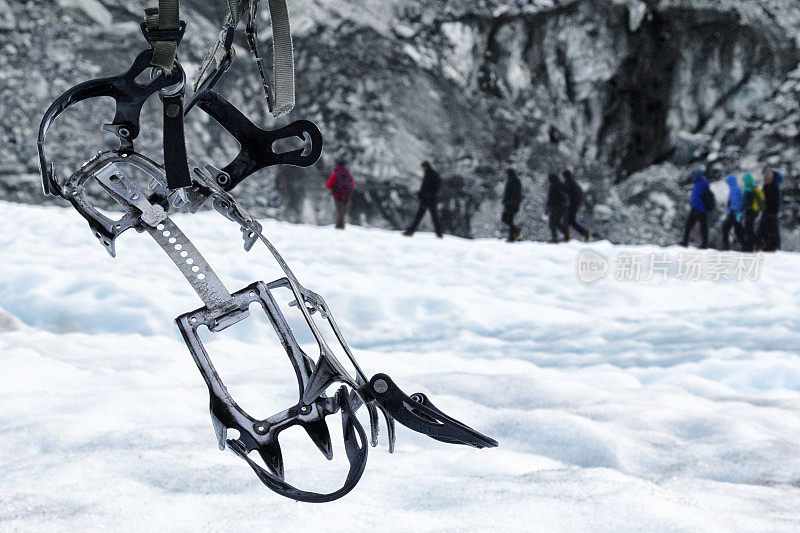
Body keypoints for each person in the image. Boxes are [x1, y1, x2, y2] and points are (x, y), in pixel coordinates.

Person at [403, 161, 443, 238]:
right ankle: (439, 234)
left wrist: (420, 194)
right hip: (431, 199)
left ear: (425, 166)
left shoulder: (429, 174)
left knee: (420, 216)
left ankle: (411, 231)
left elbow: (425, 187)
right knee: (433, 217)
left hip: (427, 199)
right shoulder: (433, 173)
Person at [680, 169, 714, 248]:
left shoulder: (699, 185)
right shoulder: (703, 184)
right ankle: (704, 244)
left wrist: (695, 208)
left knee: (688, 226)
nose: (692, 177)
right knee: (704, 228)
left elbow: (696, 199)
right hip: (703, 210)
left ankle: (685, 242)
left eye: (693, 175)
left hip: (697, 209)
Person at [756, 168, 784, 252]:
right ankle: (761, 248)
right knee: (762, 233)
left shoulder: (774, 187)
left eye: (768, 175)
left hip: (771, 214)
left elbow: (774, 203)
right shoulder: (766, 186)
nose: (765, 177)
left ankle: (771, 249)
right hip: (766, 213)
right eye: (765, 175)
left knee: (770, 233)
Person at [562, 169, 592, 241]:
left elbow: (565, 195)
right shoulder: (574, 183)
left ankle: (567, 237)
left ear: (565, 176)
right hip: (575, 206)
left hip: (570, 206)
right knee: (572, 221)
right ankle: (585, 233)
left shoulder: (568, 184)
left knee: (566, 220)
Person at [326, 160, 355, 229]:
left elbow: (328, 185)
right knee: (343, 212)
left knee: (340, 212)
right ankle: (340, 227)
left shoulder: (335, 174)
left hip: (337, 195)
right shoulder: (348, 175)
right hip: (347, 195)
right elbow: (352, 185)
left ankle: (340, 227)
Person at [720, 174, 745, 251]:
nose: (727, 184)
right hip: (738, 214)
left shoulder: (734, 189)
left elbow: (735, 202)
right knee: (738, 230)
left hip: (734, 213)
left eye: (728, 182)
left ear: (730, 182)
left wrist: (731, 210)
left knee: (725, 227)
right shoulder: (736, 188)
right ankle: (745, 246)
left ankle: (726, 246)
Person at [741, 172, 765, 252]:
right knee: (750, 229)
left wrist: (740, 211)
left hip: (749, 211)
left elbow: (745, 203)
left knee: (748, 230)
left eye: (744, 180)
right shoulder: (755, 187)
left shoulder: (748, 188)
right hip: (755, 211)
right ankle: (758, 245)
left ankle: (752, 247)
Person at [501, 168, 523, 242]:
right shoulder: (516, 181)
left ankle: (513, 235)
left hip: (510, 204)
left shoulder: (511, 181)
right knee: (508, 219)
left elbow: (508, 193)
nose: (506, 175)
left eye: (507, 173)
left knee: (506, 219)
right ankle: (514, 234)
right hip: (514, 204)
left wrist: (506, 201)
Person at [545, 172, 569, 243]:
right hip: (564, 207)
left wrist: (547, 208)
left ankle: (554, 238)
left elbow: (551, 198)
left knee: (552, 223)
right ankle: (567, 235)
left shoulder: (553, 186)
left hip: (556, 207)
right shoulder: (561, 184)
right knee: (557, 222)